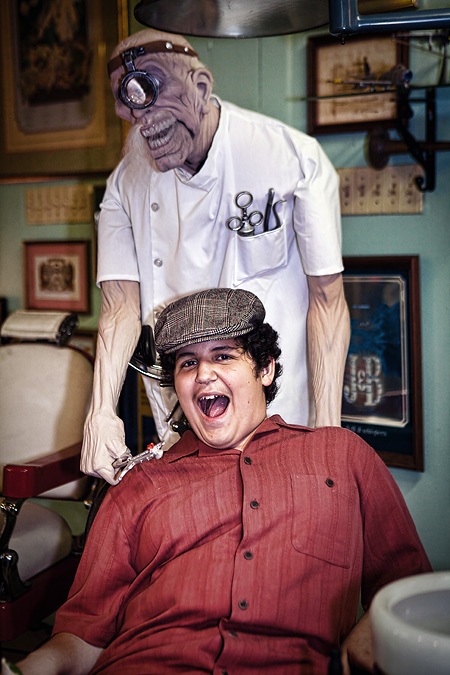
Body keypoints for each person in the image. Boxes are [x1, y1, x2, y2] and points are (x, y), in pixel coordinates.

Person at [10, 289, 430, 675]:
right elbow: (83, 635)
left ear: (265, 369)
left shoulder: (341, 456)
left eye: (224, 355)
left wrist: (353, 662)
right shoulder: (139, 486)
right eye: (187, 363)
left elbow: (408, 592)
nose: (204, 374)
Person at [81, 26, 350, 484]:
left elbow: (327, 301)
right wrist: (101, 411)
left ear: (202, 86)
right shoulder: (126, 183)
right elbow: (119, 305)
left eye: (156, 100)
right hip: (186, 417)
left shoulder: (291, 158)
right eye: (132, 110)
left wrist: (327, 435)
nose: (145, 123)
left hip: (283, 415)